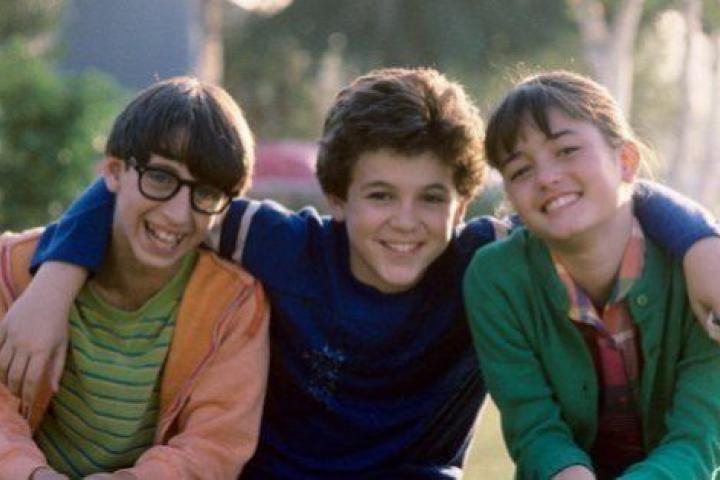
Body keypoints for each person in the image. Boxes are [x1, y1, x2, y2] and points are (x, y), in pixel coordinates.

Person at [3, 68, 720, 479]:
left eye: (431, 199)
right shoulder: (277, 245)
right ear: (338, 198)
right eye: (379, 196)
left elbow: (590, 200)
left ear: (462, 204)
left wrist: (698, 241)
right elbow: (152, 191)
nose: (405, 222)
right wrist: (56, 278)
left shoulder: (484, 263)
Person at [0, 77, 270, 479]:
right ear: (113, 171)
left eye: (206, 193)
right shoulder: (14, 270)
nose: (178, 215)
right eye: (160, 177)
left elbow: (214, 445)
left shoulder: (234, 305)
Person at [464, 71, 720, 479]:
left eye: (566, 150)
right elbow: (535, 432)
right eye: (521, 170)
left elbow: (698, 438)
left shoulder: (702, 274)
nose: (546, 178)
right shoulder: (495, 280)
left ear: (626, 161)